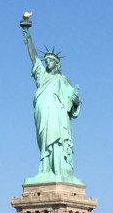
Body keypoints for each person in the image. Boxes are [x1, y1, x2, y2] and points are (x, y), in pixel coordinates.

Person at [21, 15, 81, 183]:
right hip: (43, 112)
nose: (47, 63)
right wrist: (27, 34)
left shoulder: (62, 80)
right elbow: (33, 58)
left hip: (57, 113)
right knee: (45, 139)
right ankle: (45, 169)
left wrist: (75, 100)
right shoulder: (42, 76)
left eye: (50, 61)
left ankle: (59, 171)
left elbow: (74, 104)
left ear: (57, 64)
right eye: (46, 61)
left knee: (57, 140)